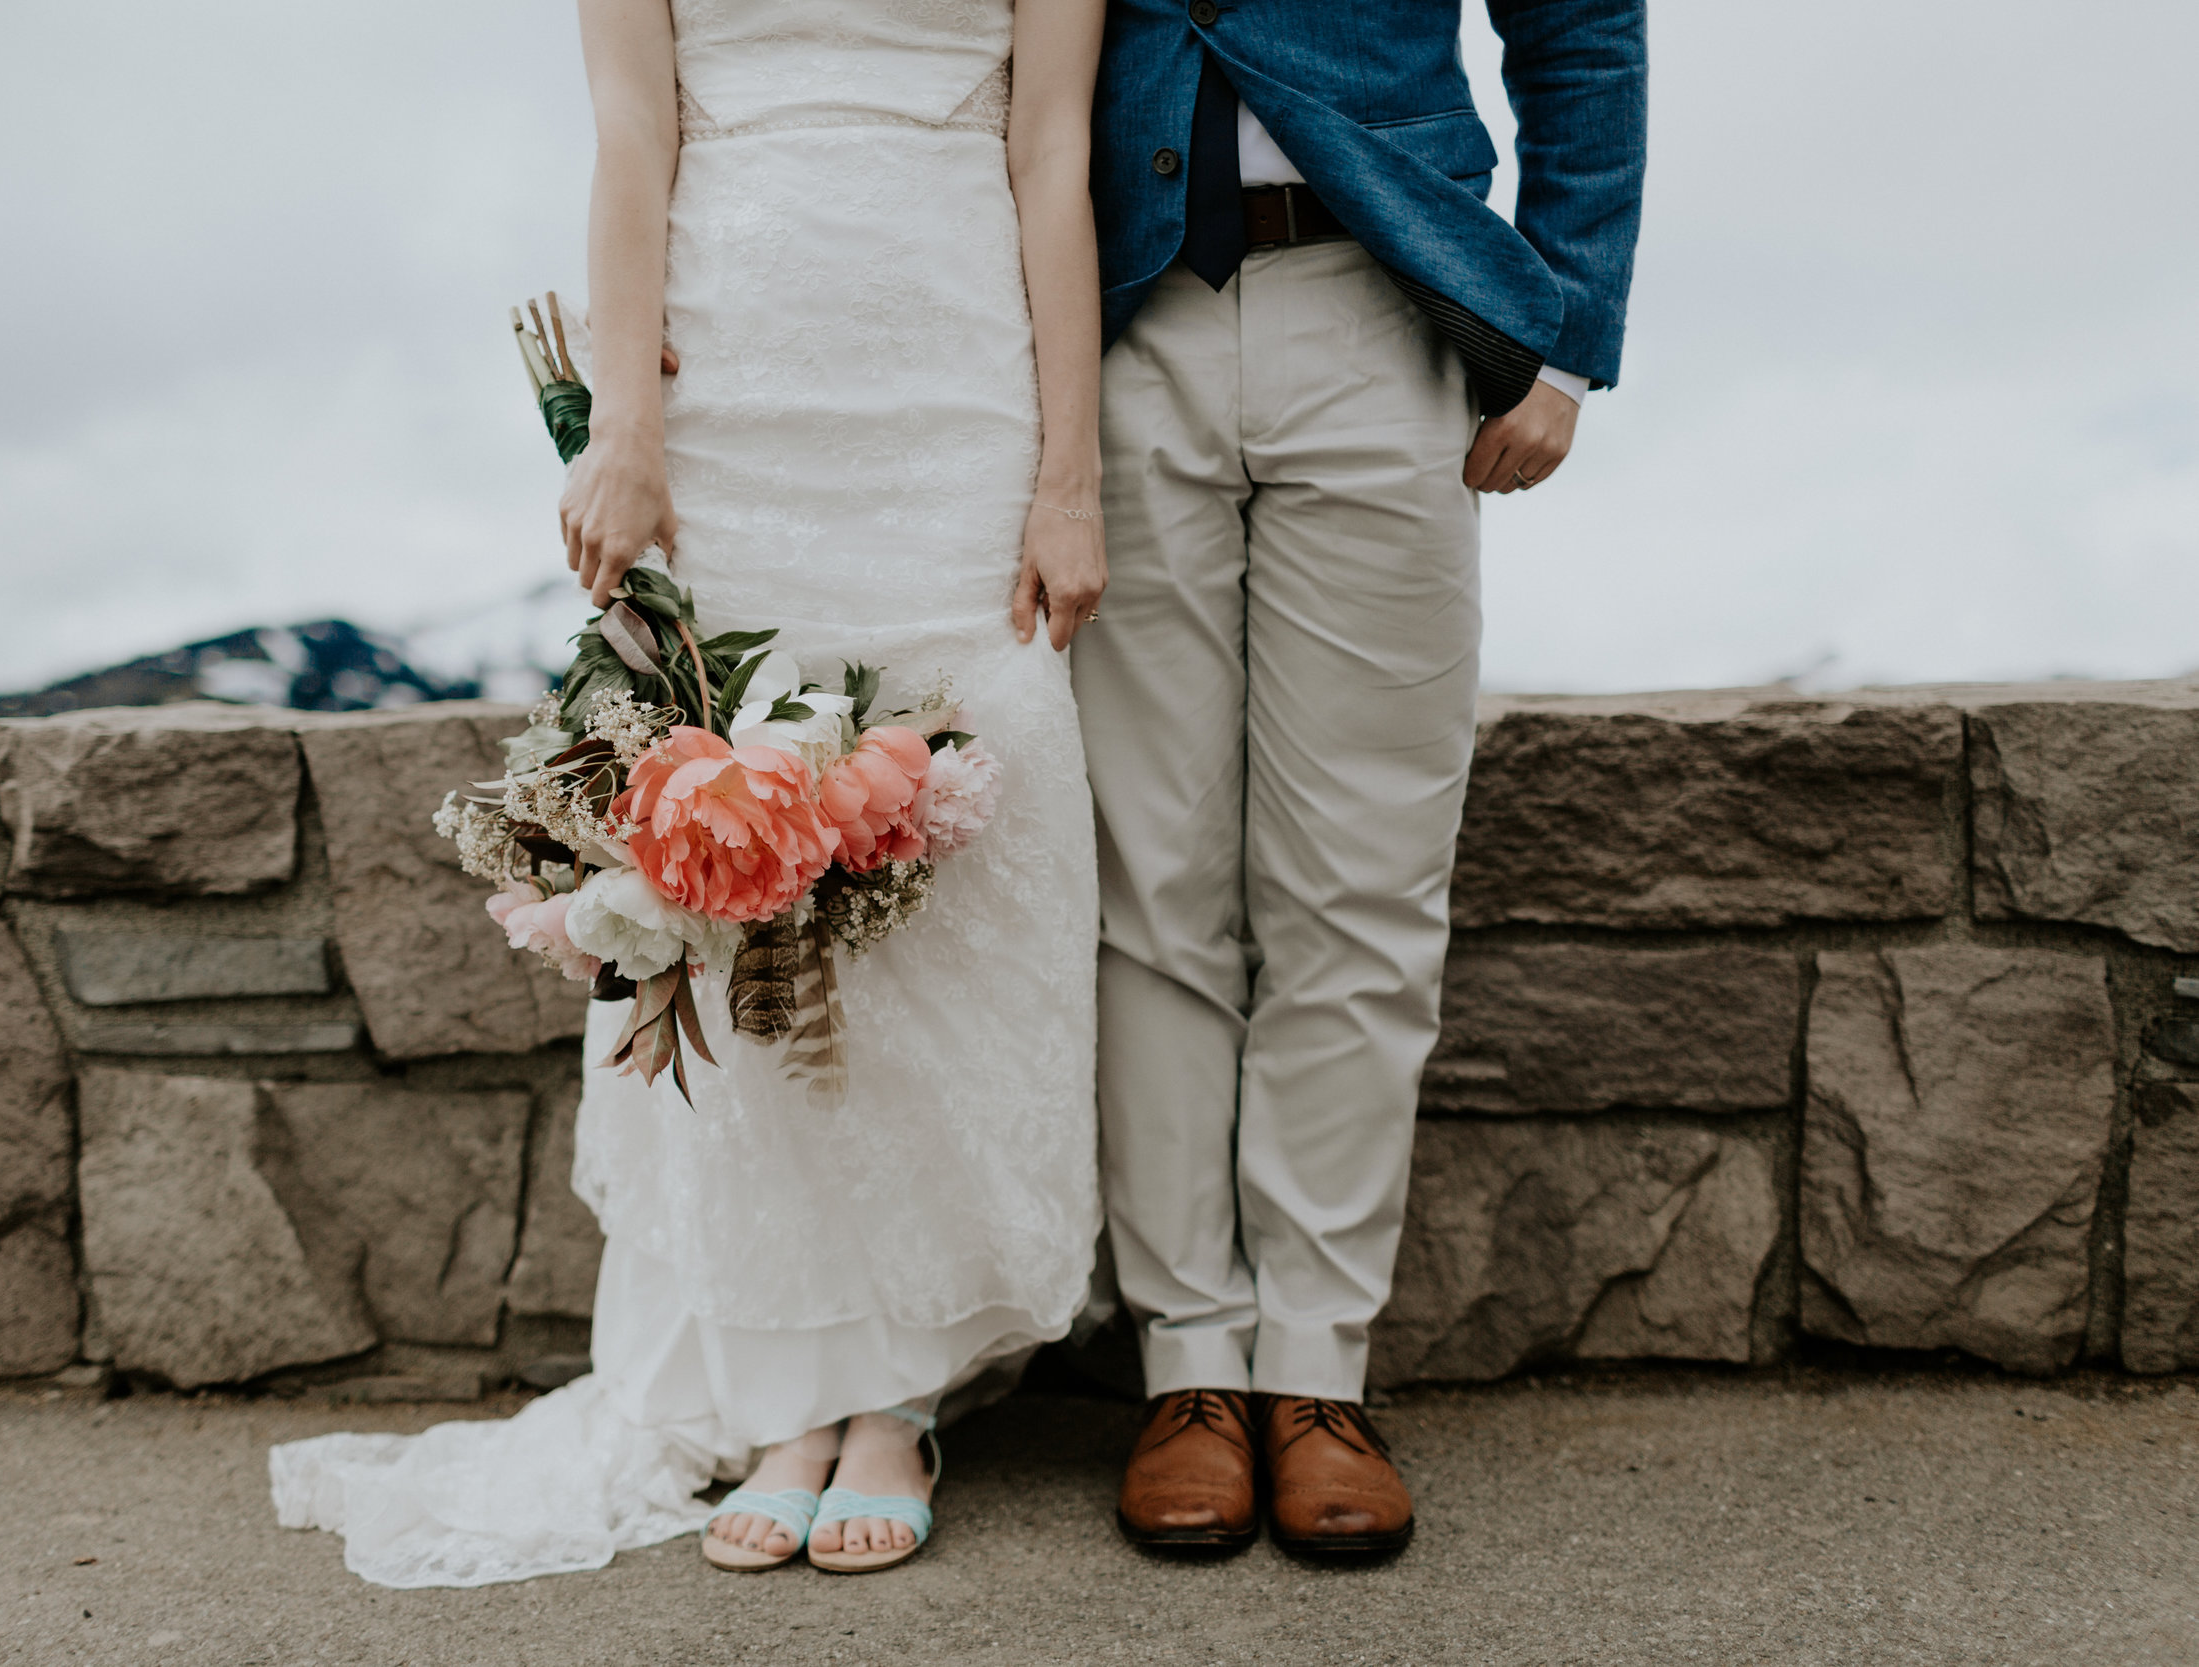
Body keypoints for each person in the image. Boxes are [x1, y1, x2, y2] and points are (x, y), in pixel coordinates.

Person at [269, 0, 1109, 1585]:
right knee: (737, 861)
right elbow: (636, 133)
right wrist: (631, 434)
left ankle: (894, 1401)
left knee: (945, 877)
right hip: (743, 402)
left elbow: (1051, 146)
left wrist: (1069, 479)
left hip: (955, 403)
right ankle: (787, 1392)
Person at [1076, 0, 1648, 1555]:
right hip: (1118, 317)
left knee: (1365, 883)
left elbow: (1585, 35)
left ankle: (1318, 1374)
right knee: (1150, 882)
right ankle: (1188, 1368)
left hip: (1385, 305)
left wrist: (1569, 330)